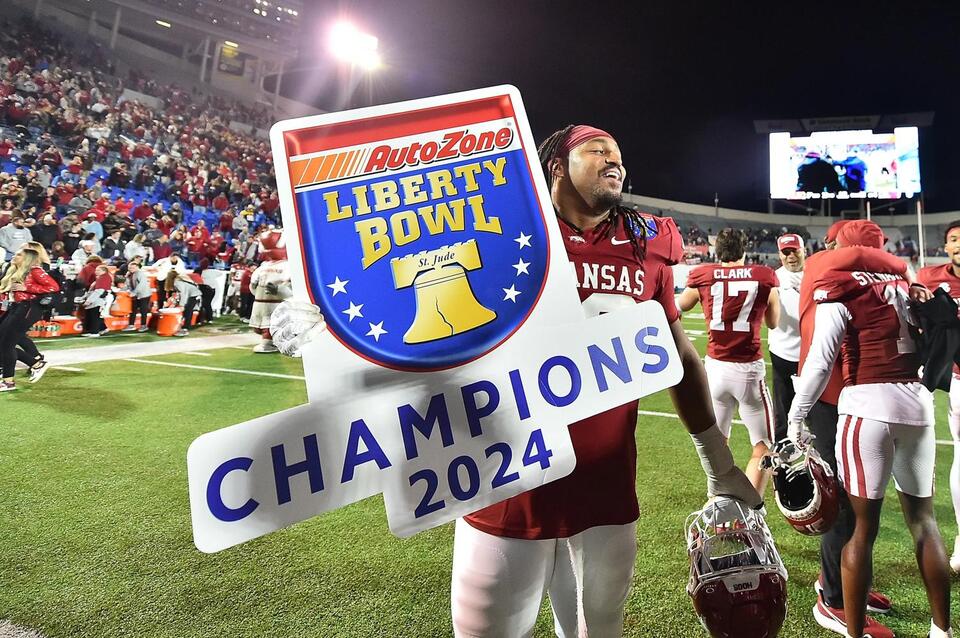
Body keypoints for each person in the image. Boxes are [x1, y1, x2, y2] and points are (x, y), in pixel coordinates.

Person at [271, 124, 762, 636]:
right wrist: (327, 330)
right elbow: (411, 323)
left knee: (601, 630)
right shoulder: (498, 228)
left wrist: (717, 463)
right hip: (505, 478)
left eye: (618, 153)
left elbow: (678, 355)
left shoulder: (648, 240)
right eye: (597, 151)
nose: (614, 160)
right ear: (557, 167)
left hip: (605, 481)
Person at [790, 220, 944, 638]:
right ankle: (838, 598)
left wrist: (795, 415)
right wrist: (905, 273)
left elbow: (820, 358)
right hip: (907, 400)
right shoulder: (901, 281)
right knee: (915, 521)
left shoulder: (834, 275)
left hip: (853, 397)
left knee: (855, 521)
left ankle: (839, 595)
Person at [676, 228, 780, 495]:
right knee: (763, 446)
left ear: (717, 250)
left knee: (717, 443)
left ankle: (717, 498)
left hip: (715, 370)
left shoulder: (703, 275)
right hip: (748, 371)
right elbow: (773, 322)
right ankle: (752, 506)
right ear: (744, 249)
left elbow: (679, 306)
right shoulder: (764, 276)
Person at [916, 219, 960, 572]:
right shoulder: (930, 278)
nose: (959, 244)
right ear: (945, 247)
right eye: (954, 239)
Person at [0, 247, 60, 391]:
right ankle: (36, 364)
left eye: (19, 255)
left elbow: (54, 287)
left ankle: (8, 382)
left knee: (7, 345)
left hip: (27, 308)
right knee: (3, 343)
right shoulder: (15, 270)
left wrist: (26, 287)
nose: (14, 256)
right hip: (16, 307)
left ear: (27, 258)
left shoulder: (35, 270)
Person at [768, 233, 805, 442]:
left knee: (816, 410)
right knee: (782, 411)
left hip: (811, 354)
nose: (791, 256)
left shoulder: (816, 275)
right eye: (786, 252)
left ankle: (816, 456)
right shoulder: (774, 278)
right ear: (780, 254)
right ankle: (782, 453)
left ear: (803, 250)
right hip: (782, 352)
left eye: (795, 251)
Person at [82, 264, 113, 337]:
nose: (96, 271)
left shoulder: (103, 279)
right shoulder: (101, 278)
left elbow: (99, 291)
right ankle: (101, 329)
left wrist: (89, 301)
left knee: (94, 316)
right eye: (96, 270)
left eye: (98, 270)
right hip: (96, 299)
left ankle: (95, 332)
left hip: (98, 300)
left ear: (104, 271)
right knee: (92, 315)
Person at [124, 261, 153, 332]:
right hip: (135, 294)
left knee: (143, 310)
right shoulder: (129, 274)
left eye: (133, 268)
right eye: (130, 268)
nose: (131, 269)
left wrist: (134, 292)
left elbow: (141, 284)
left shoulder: (140, 274)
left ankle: (144, 325)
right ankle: (131, 325)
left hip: (144, 294)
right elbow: (128, 284)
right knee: (133, 310)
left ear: (137, 267)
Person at [173, 272, 202, 337]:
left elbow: (183, 294)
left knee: (188, 311)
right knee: (188, 311)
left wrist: (182, 305)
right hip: (194, 294)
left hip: (193, 295)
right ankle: (186, 326)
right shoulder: (179, 281)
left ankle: (185, 328)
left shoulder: (177, 283)